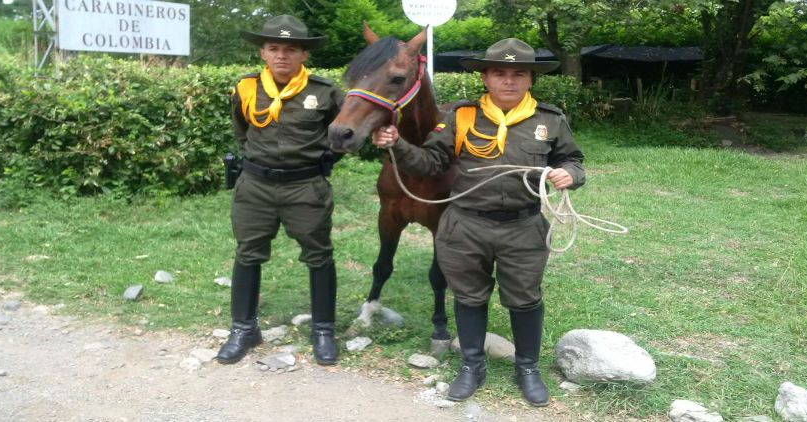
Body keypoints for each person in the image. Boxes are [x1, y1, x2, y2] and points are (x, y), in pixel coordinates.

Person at [371, 38, 586, 406]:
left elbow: (573, 159)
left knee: (524, 297)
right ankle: (472, 366)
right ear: (485, 78)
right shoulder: (461, 117)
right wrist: (398, 146)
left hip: (523, 225)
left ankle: (527, 368)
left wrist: (571, 174)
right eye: (499, 73)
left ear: (530, 79)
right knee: (469, 295)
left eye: (518, 73)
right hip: (466, 224)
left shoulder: (550, 120)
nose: (509, 81)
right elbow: (431, 163)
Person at [217, 15, 343, 366]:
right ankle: (243, 329)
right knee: (248, 253)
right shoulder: (245, 88)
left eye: (291, 49)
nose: (281, 56)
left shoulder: (324, 92)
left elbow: (343, 137)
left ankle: (323, 330)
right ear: (262, 52)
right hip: (255, 186)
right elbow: (242, 132)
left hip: (306, 187)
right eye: (274, 48)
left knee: (318, 255)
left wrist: (320, 162)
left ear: (304, 54)